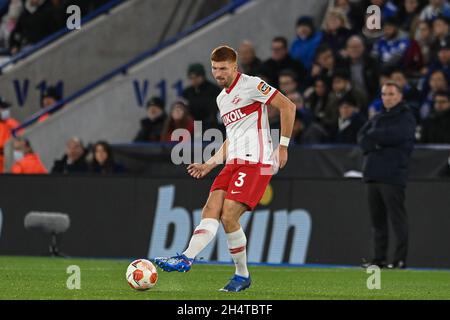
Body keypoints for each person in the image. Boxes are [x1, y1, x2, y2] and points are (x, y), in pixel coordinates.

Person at [154, 45, 296, 292]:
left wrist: (283, 145)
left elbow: (288, 106)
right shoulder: (222, 98)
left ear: (234, 67)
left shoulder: (252, 84)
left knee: (228, 215)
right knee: (211, 208)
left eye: (222, 68)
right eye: (214, 69)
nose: (218, 73)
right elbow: (232, 138)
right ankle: (186, 258)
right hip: (234, 162)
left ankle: (241, 275)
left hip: (256, 162)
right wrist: (210, 163)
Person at [358, 81, 416, 269]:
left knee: (397, 219)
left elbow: (397, 135)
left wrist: (375, 139)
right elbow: (362, 138)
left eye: (391, 94)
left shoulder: (406, 116)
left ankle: (399, 260)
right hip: (372, 174)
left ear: (400, 96)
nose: (387, 98)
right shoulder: (377, 117)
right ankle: (379, 259)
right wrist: (379, 141)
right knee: (377, 222)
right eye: (384, 94)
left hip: (392, 175)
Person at [182, 63, 221, 129]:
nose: (194, 80)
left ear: (202, 76)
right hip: (193, 126)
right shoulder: (187, 92)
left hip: (211, 125)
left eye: (196, 77)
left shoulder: (213, 90)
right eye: (191, 78)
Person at [0, 96, 19, 173]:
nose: (5, 110)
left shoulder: (13, 123)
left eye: (5, 108)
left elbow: (22, 141)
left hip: (9, 160)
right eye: (2, 108)